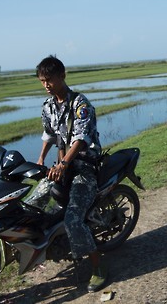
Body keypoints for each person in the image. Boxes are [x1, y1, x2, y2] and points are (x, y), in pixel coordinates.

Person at [27, 55, 107, 293]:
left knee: (73, 218)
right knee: (33, 202)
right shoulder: (48, 106)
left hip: (84, 167)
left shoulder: (80, 104)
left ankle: (98, 267)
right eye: (42, 81)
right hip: (61, 165)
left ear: (62, 76)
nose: (46, 85)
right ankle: (44, 248)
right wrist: (42, 159)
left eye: (49, 79)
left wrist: (64, 164)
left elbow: (81, 140)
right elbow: (49, 135)